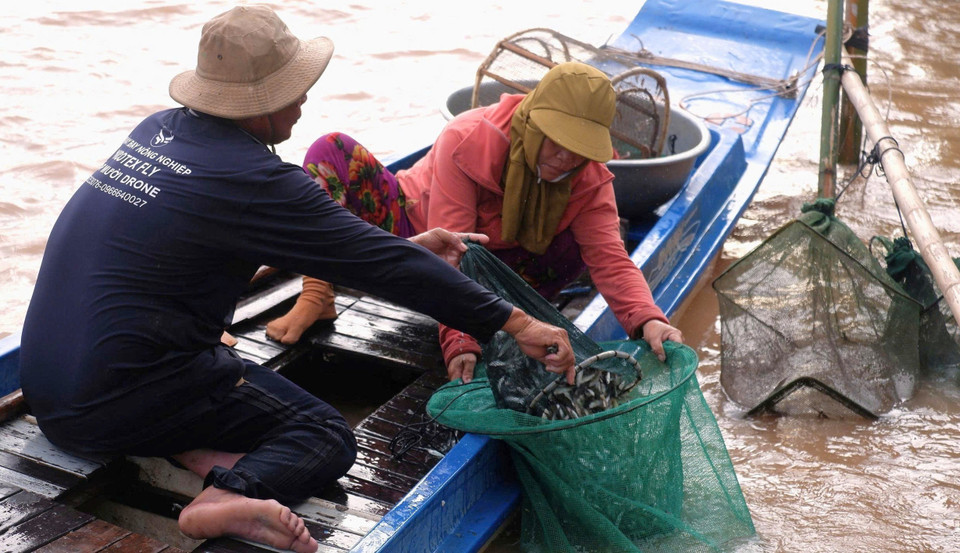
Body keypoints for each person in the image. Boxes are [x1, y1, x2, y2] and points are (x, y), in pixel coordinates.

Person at [18, 6, 575, 553]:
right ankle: (221, 499)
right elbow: (380, 266)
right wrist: (514, 320)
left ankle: (189, 446)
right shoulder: (256, 180)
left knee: (213, 366)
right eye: (294, 86)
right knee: (323, 434)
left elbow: (354, 252)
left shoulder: (156, 133)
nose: (304, 95)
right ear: (258, 106)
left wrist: (402, 248)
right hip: (113, 400)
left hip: (45, 387)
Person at [270, 62, 684, 383]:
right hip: (417, 235)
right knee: (332, 150)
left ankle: (509, 314)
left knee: (590, 239)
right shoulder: (468, 139)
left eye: (578, 149)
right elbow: (452, 251)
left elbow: (610, 259)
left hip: (506, 265)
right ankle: (317, 292)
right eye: (555, 142)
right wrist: (459, 338)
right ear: (532, 122)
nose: (566, 159)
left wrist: (649, 320)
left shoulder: (589, 178)